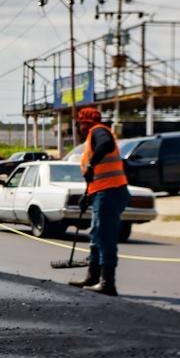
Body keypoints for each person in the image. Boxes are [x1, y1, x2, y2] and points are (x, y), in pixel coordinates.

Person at [69, 107, 130, 296]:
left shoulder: (99, 132)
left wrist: (91, 164)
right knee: (96, 235)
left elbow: (106, 145)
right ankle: (93, 277)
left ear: (84, 123)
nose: (77, 128)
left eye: (78, 124)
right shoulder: (91, 137)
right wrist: (87, 194)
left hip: (111, 192)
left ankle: (107, 282)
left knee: (105, 237)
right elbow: (96, 175)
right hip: (102, 192)